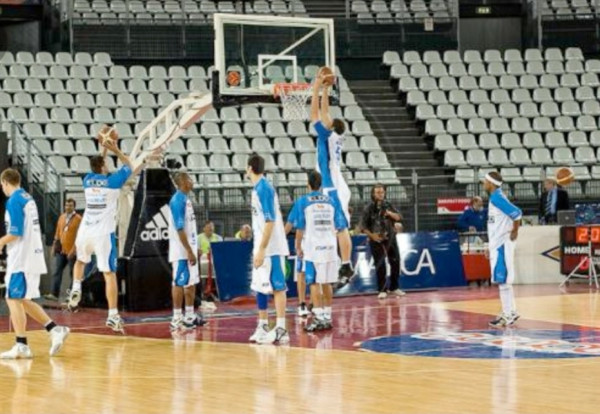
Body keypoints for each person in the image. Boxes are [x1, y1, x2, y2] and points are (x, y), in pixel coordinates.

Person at [66, 128, 133, 333]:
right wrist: (115, 149)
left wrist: (103, 149)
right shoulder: (112, 182)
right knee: (109, 274)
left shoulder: (87, 179)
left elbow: (98, 167)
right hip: (103, 234)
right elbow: (129, 165)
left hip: (85, 231)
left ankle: (76, 287)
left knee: (80, 261)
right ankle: (113, 315)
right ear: (104, 166)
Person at [0, 168, 70, 359]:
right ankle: (54, 329)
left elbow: (15, 232)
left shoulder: (14, 199)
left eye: (2, 185)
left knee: (13, 298)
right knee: (23, 299)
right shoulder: (27, 197)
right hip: (31, 254)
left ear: (5, 183)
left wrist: (0, 242)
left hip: (21, 257)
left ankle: (21, 344)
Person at [310, 72, 354, 285]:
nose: (325, 120)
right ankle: (341, 264)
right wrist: (327, 88)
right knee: (338, 226)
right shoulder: (336, 135)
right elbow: (325, 112)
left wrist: (317, 88)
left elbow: (315, 116)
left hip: (332, 185)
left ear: (330, 127)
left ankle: (346, 265)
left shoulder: (326, 135)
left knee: (340, 226)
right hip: (336, 183)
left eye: (328, 122)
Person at [294, 171, 347, 332]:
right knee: (327, 282)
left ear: (308, 184)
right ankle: (327, 317)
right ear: (321, 184)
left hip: (313, 248)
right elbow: (340, 226)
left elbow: (300, 228)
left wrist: (297, 246)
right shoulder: (332, 201)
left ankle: (318, 318)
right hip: (330, 247)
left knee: (314, 283)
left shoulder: (304, 201)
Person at [246, 154, 290, 344]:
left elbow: (270, 221)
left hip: (272, 247)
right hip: (261, 245)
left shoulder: (264, 188)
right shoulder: (256, 189)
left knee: (278, 286)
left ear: (249, 168)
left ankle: (281, 328)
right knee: (260, 287)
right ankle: (263, 325)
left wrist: (263, 249)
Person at [483, 171, 522, 328]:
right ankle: (511, 311)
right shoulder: (496, 197)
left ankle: (507, 314)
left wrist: (515, 231)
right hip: (496, 244)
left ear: (491, 184)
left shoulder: (497, 198)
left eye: (485, 181)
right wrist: (489, 245)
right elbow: (494, 225)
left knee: (503, 281)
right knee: (503, 281)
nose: (483, 183)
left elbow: (517, 214)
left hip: (502, 244)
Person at [168, 172, 204, 331]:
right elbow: (180, 229)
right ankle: (176, 317)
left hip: (189, 249)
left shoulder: (186, 199)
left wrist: (195, 247)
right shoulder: (177, 201)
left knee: (191, 282)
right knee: (179, 282)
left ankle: (189, 315)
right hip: (181, 252)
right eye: (189, 179)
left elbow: (190, 229)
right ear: (182, 181)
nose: (192, 181)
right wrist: (189, 250)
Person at [360, 184, 405, 299]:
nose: (380, 194)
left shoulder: (388, 205)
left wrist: (389, 213)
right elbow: (363, 226)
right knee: (380, 265)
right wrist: (372, 236)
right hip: (376, 239)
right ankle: (382, 289)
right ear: (373, 194)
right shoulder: (368, 208)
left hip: (390, 237)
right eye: (378, 192)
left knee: (396, 262)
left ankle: (394, 287)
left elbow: (399, 217)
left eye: (382, 192)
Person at [45, 198, 81, 301]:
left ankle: (71, 296)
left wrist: (73, 250)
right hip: (61, 250)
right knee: (57, 271)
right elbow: (57, 232)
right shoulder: (62, 217)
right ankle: (54, 294)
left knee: (73, 274)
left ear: (74, 207)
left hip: (72, 251)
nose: (68, 207)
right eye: (66, 205)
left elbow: (80, 237)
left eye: (70, 205)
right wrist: (53, 246)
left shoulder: (78, 219)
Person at [285, 199, 310, 317]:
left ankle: (309, 304)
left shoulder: (301, 202)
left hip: (313, 243)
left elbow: (292, 224)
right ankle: (305, 304)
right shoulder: (301, 203)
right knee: (304, 273)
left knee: (304, 274)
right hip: (311, 242)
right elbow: (291, 222)